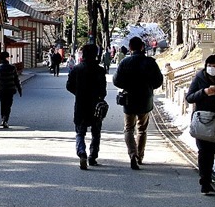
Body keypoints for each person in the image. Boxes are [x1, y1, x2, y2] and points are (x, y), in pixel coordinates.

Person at [112, 36, 163, 170]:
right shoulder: (150, 62)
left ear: (130, 48)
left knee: (128, 128)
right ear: (142, 47)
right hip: (145, 98)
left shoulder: (125, 62)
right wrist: (149, 86)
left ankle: (132, 154)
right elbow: (158, 81)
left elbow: (116, 81)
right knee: (142, 129)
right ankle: (140, 156)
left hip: (129, 99)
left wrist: (126, 86)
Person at [185, 54, 215, 194]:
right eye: (210, 65)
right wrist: (204, 92)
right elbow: (189, 98)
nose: (212, 68)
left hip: (214, 121)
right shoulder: (198, 78)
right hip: (200, 118)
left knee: (210, 152)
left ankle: (206, 179)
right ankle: (204, 180)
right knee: (202, 150)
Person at [66, 43, 108, 170]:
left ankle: (82, 153)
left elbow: (69, 86)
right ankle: (93, 156)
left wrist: (78, 93)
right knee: (96, 133)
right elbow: (103, 91)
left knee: (80, 132)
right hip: (95, 105)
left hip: (80, 104)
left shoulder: (77, 69)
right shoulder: (100, 70)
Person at [0, 51, 23, 128]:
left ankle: (3, 118)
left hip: (1, 89)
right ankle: (6, 119)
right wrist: (19, 89)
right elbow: (16, 79)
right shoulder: (12, 67)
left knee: (3, 104)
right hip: (10, 89)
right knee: (8, 105)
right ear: (7, 58)